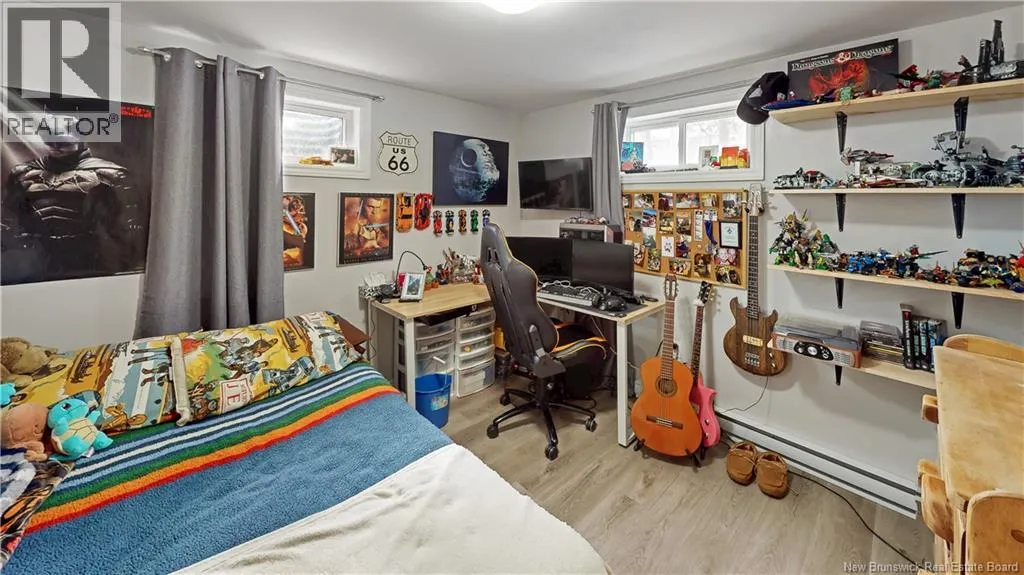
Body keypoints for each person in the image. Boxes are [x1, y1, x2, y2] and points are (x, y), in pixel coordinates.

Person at [2, 115, 133, 283]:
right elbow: (9, 219)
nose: (55, 146)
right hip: (36, 260)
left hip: (89, 261)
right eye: (50, 141)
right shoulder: (24, 174)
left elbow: (127, 227)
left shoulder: (110, 174)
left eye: (63, 142)